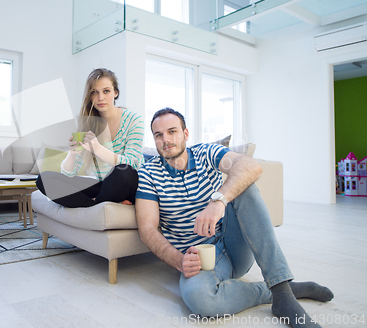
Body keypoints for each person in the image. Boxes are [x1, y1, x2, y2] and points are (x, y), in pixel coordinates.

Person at [135, 107, 333, 328]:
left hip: (234, 244)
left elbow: (251, 166)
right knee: (201, 300)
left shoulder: (205, 153)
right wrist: (179, 262)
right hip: (199, 259)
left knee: (244, 186)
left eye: (172, 131)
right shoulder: (148, 173)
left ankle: (282, 292)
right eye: (158, 135)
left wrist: (218, 200)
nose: (166, 140)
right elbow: (148, 229)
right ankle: (279, 291)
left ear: (186, 134)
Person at [36, 68, 144, 208]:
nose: (100, 98)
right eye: (94, 92)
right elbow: (69, 173)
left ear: (115, 93)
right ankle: (93, 205)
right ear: (90, 96)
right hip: (104, 186)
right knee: (44, 179)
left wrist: (98, 149)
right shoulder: (89, 124)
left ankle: (95, 203)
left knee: (123, 171)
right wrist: (72, 154)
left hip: (128, 185)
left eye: (106, 91)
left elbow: (132, 163)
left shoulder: (134, 120)